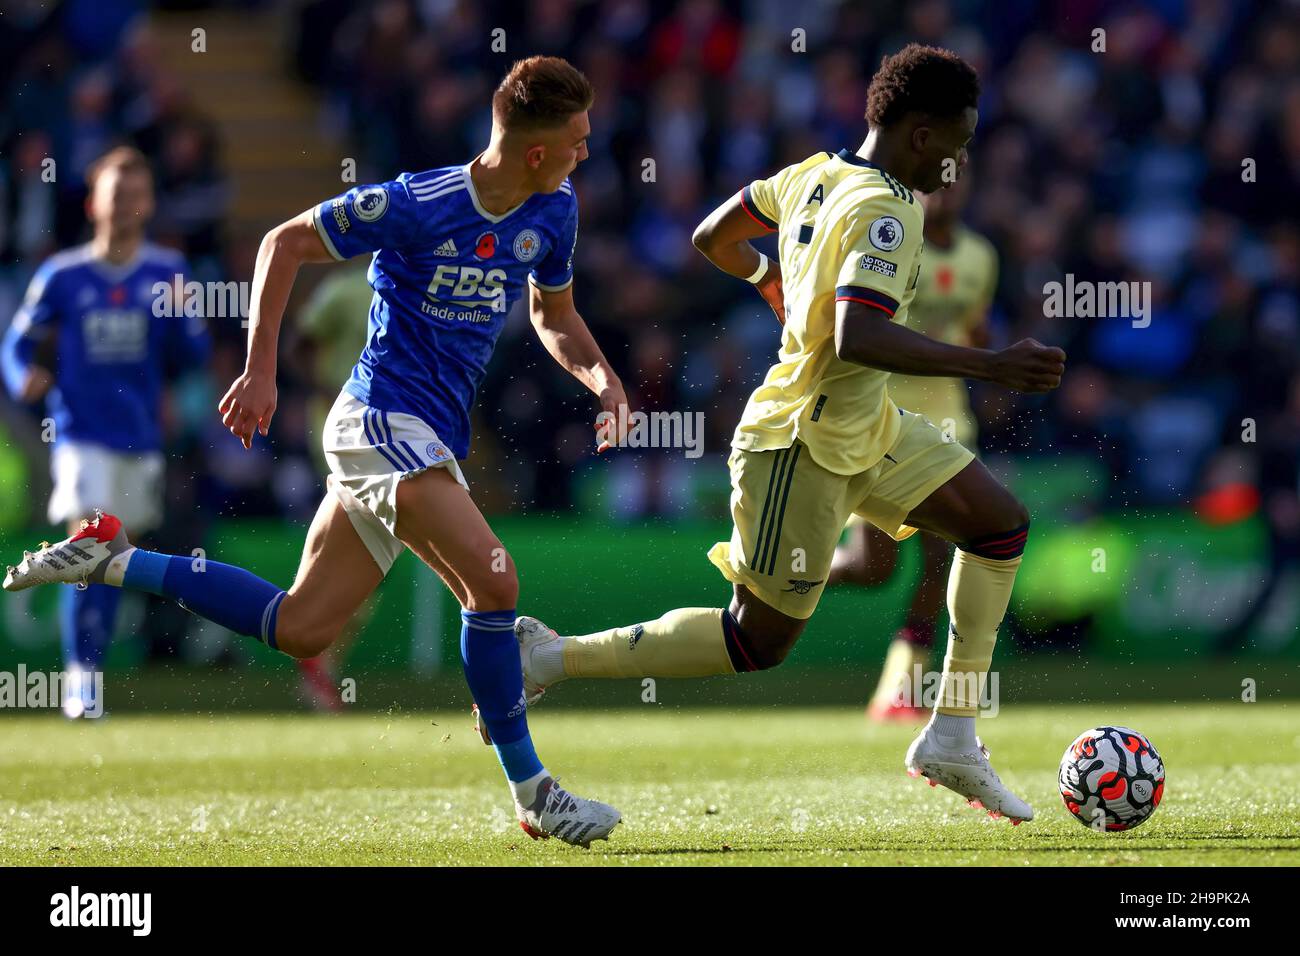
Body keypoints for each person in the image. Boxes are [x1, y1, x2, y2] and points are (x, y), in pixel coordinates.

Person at [6, 57, 625, 848]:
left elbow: (555, 314)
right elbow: (283, 241)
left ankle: (115, 560)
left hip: (425, 436)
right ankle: (535, 789)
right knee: (494, 580)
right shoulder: (417, 203)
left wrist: (602, 380)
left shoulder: (555, 209)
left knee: (300, 626)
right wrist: (258, 370)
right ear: (535, 151)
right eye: (575, 140)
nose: (586, 150)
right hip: (376, 423)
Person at [512, 44, 1065, 824]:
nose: (958, 163)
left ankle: (953, 732)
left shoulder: (812, 171)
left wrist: (766, 277)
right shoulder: (887, 209)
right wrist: (993, 365)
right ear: (918, 134)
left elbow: (712, 236)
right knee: (756, 643)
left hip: (866, 424)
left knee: (1000, 525)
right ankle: (551, 655)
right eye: (955, 143)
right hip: (797, 441)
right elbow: (856, 337)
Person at [1, 145, 210, 718]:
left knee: (111, 559)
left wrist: (184, 315)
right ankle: (81, 679)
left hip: (139, 441)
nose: (123, 206)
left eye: (134, 196)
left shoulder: (167, 272)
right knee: (91, 539)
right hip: (77, 434)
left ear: (146, 205)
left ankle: (90, 668)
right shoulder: (62, 275)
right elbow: (13, 345)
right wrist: (24, 377)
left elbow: (191, 354)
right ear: (94, 202)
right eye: (114, 195)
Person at [826, 175, 998, 722]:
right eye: (935, 181)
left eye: (955, 180)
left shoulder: (980, 257)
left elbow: (972, 329)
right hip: (882, 420)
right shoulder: (893, 242)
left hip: (949, 422)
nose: (944, 191)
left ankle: (905, 684)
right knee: (872, 567)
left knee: (943, 552)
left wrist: (991, 355)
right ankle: (779, 568)